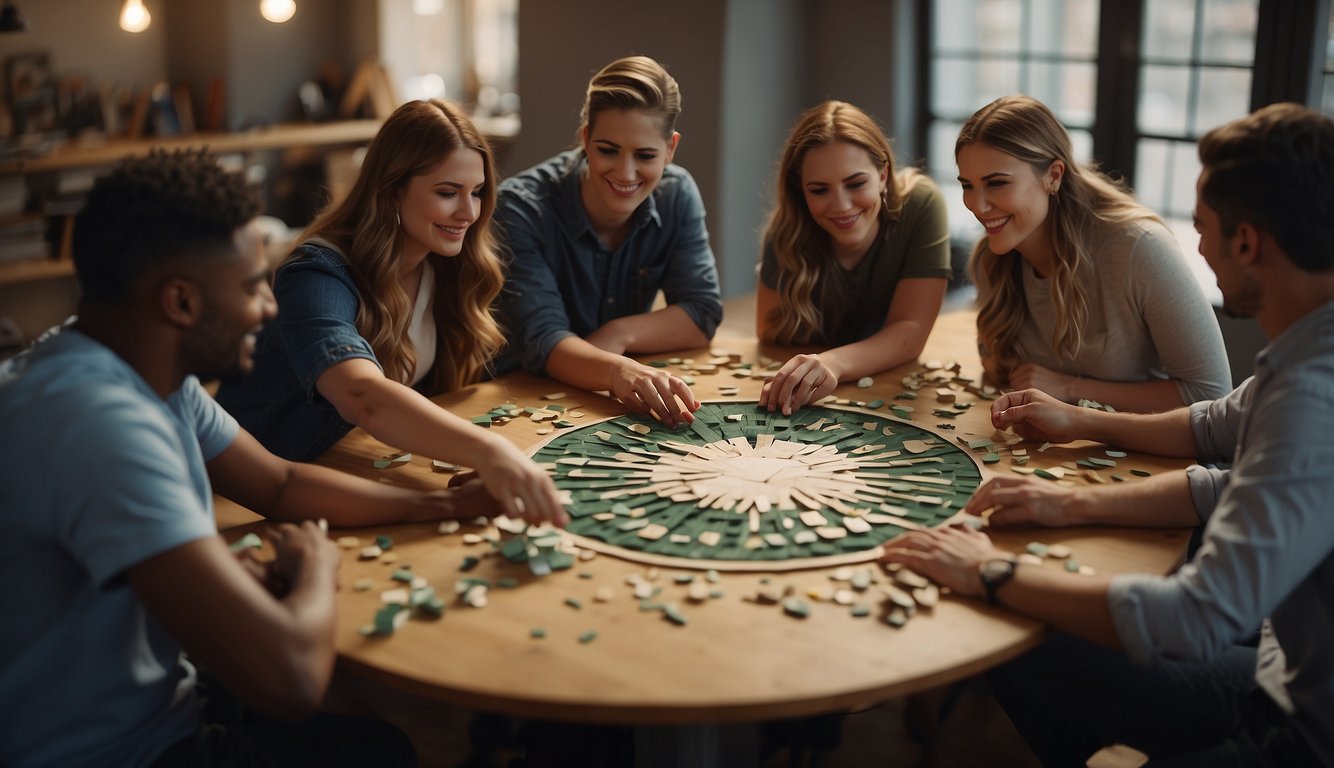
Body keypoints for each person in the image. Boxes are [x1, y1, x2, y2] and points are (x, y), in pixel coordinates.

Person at [0, 149, 521, 766]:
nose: (269, 309)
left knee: (366, 730)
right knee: (375, 750)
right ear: (181, 302)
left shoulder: (130, 360)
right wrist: (312, 568)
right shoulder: (99, 424)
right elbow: (290, 680)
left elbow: (277, 484)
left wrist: (440, 503)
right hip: (116, 751)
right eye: (252, 287)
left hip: (163, 696)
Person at [883, 102, 1333, 765]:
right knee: (1028, 650)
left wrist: (994, 572)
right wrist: (1070, 497)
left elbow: (1198, 617)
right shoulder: (1301, 355)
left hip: (1300, 732)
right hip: (1278, 661)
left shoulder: (1311, 396)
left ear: (1248, 243)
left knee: (1017, 620)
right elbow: (1216, 435)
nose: (1198, 245)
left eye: (1204, 228)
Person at [216, 99, 565, 527]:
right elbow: (363, 397)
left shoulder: (450, 263)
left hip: (364, 472)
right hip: (254, 501)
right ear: (392, 190)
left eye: (476, 193)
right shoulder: (314, 274)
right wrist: (492, 452)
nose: (469, 213)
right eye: (447, 192)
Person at [956, 95, 1231, 412]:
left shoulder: (1139, 247)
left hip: (1151, 456)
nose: (978, 205)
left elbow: (1211, 395)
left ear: (1053, 176)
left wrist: (1069, 388)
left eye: (997, 183)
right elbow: (1002, 378)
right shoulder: (991, 257)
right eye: (967, 186)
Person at [494, 55, 723, 428]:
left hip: (598, 403)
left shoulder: (677, 192)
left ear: (670, 149)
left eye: (646, 155)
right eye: (608, 150)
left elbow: (702, 311)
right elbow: (544, 340)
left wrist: (620, 333)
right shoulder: (520, 206)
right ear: (585, 138)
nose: (625, 172)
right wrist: (619, 370)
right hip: (520, 397)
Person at [756, 100, 952, 414]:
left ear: (884, 174)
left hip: (891, 393)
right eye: (819, 190)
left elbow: (911, 332)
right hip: (813, 403)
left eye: (856, 183)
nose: (842, 205)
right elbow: (771, 335)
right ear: (800, 191)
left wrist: (832, 363)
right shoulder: (788, 228)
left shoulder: (922, 204)